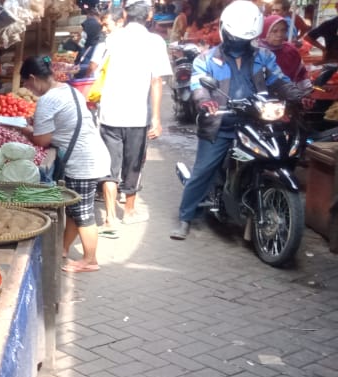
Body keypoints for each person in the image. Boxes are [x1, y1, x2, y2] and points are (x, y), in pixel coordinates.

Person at [171, 0, 305, 240]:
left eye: (244, 39)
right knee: (204, 170)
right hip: (219, 124)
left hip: (255, 122)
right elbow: (197, 85)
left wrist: (294, 92)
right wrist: (205, 101)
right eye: (236, 38)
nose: (239, 43)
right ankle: (185, 217)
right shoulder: (207, 58)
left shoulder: (263, 56)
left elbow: (277, 79)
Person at [19, 56, 112, 273]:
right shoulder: (68, 89)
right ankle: (63, 248)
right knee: (73, 209)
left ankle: (90, 260)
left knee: (82, 213)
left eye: (26, 84)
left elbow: (42, 140)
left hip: (83, 161)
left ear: (33, 78)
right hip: (91, 153)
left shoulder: (47, 99)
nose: (28, 89)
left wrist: (25, 131)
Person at [96, 0, 171, 229]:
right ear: (149, 15)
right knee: (133, 165)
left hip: (109, 113)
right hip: (137, 116)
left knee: (110, 167)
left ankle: (109, 217)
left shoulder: (113, 38)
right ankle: (128, 212)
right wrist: (157, 118)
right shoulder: (154, 41)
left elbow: (100, 71)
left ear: (126, 14)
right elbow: (157, 81)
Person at [259, 15, 309, 83]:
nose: (280, 34)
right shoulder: (257, 52)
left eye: (283, 30)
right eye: (274, 31)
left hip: (289, 90)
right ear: (265, 31)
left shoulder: (291, 50)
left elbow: (301, 74)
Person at [77, 8, 107, 78]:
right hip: (92, 48)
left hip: (88, 50)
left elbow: (83, 38)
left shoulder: (87, 22)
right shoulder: (98, 24)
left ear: (89, 15)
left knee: (83, 68)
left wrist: (80, 47)